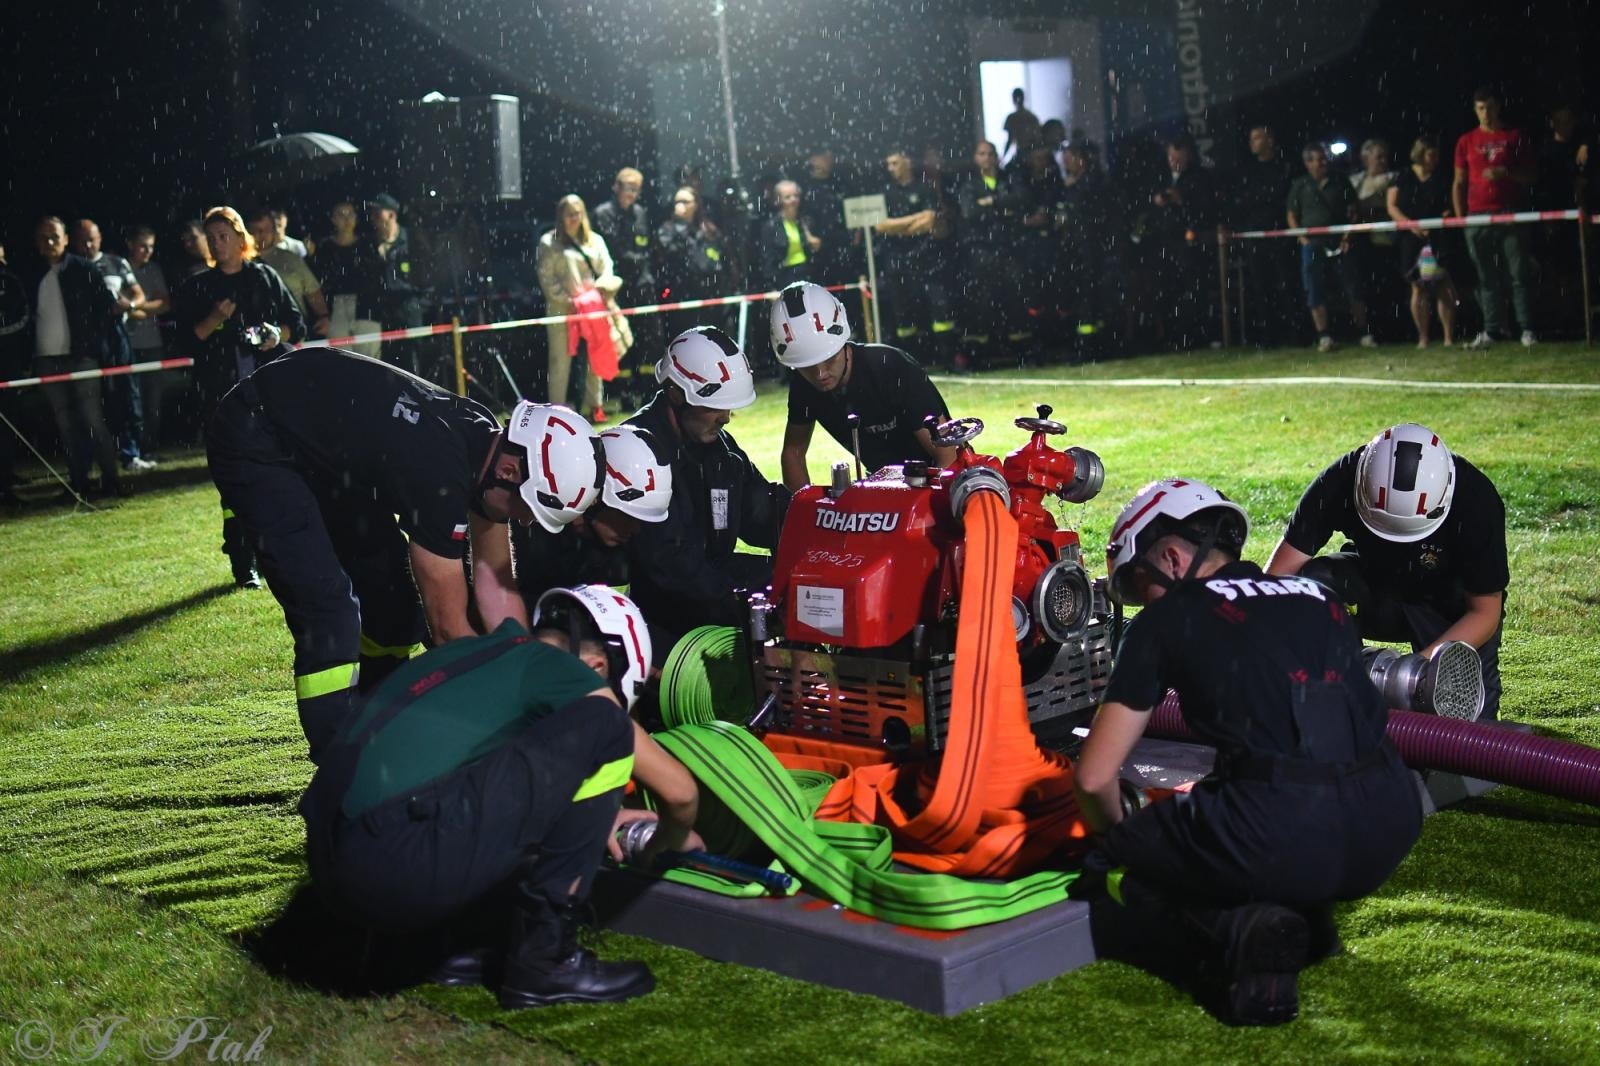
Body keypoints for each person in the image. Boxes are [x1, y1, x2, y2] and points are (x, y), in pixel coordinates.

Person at [1076, 477, 1421, 1026]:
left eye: (1141, 583)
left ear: (1171, 557)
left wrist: (1116, 836)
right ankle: (1312, 921)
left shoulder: (1167, 619)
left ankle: (1239, 932)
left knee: (1114, 857)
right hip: (1392, 817)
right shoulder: (1320, 597)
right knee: (1257, 802)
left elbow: (1094, 779)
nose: (1145, 601)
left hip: (1282, 830)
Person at [298, 585, 702, 1009]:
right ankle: (546, 961)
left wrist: (600, 815)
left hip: (333, 867)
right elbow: (680, 793)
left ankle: (425, 946)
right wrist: (667, 842)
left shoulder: (478, 655)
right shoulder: (565, 671)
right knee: (606, 726)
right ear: (598, 666)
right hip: (391, 872)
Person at [208, 350, 607, 761]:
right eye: (528, 508)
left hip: (319, 450)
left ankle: (379, 720)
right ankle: (343, 766)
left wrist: (524, 667)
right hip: (258, 439)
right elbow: (447, 629)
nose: (525, 520)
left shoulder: (486, 441)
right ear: (509, 472)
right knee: (330, 613)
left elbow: (496, 583)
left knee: (397, 606)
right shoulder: (439, 472)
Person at [1265, 422, 1508, 721]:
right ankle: (1337, 689)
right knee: (1318, 580)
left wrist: (1414, 670)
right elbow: (1276, 580)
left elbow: (1484, 612)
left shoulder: (1476, 500)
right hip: (1376, 591)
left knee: (1471, 732)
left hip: (1448, 607)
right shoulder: (1341, 479)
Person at [624, 326, 789, 657]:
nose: (726, 418)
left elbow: (762, 512)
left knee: (794, 583)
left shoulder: (718, 448)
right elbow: (669, 567)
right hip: (662, 611)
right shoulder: (636, 453)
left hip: (709, 579)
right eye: (716, 405)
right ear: (676, 394)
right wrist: (742, 601)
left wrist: (819, 521)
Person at [174, 206, 307, 589]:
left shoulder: (263, 276)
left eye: (224, 236)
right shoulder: (199, 286)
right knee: (234, 480)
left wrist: (274, 335)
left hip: (268, 391)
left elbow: (296, 325)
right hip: (221, 396)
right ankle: (242, 560)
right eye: (211, 238)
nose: (217, 243)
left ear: (240, 237)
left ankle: (276, 555)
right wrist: (215, 319)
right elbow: (186, 341)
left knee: (276, 474)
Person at [771, 281, 955, 490]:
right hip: (882, 484)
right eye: (807, 366)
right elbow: (793, 452)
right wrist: (803, 505)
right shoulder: (803, 386)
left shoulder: (890, 367)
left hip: (936, 478)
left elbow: (947, 456)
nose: (820, 374)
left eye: (828, 359)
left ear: (842, 341)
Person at [513, 424, 673, 608]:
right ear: (596, 496)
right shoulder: (529, 534)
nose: (636, 529)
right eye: (628, 516)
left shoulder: (617, 553)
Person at [24, 216, 124, 499]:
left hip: (82, 357)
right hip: (46, 360)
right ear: (36, 242)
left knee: (93, 421)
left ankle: (111, 481)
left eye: (55, 236)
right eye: (43, 237)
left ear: (66, 239)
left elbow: (106, 308)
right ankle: (78, 484)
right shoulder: (31, 275)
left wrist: (92, 344)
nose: (49, 242)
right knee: (65, 425)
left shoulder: (83, 269)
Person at [1453, 87, 1538, 349]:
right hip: (1477, 216)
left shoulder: (1514, 137)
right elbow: (1459, 182)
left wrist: (1506, 173)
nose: (1486, 113)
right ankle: (1492, 329)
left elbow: (1531, 176)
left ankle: (1527, 329)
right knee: (1486, 276)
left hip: (1509, 213)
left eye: (1489, 107)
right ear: (1475, 110)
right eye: (1480, 108)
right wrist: (1461, 218)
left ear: (1498, 107)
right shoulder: (1466, 140)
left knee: (1518, 273)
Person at [537, 194, 628, 423]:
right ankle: (557, 411)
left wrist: (599, 291)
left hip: (592, 310)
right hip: (562, 311)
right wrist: (569, 301)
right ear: (560, 216)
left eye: (578, 213)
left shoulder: (594, 240)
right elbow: (546, 279)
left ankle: (595, 405)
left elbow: (607, 269)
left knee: (595, 357)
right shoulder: (549, 242)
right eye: (569, 214)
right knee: (559, 361)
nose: (574, 218)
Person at [71, 218, 148, 472]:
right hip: (85, 341)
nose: (88, 245)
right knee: (93, 403)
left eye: (92, 239)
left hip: (116, 336)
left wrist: (129, 305)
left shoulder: (116, 262)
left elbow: (138, 295)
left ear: (100, 238)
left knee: (126, 394)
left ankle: (130, 453)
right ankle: (94, 460)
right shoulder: (71, 267)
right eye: (82, 240)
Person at [1287, 143, 1376, 353]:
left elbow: (1355, 211)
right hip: (1312, 244)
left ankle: (1364, 332)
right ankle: (1324, 336)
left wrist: (1347, 236)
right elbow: (1291, 214)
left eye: (1324, 158)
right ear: (1307, 163)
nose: (1322, 163)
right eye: (1317, 159)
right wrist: (1301, 237)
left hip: (1340, 241)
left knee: (1352, 286)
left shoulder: (1340, 180)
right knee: (1314, 288)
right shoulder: (1300, 184)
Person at [876, 148, 958, 362]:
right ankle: (911, 361)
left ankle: (948, 358)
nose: (890, 168)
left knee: (939, 306)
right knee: (903, 312)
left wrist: (897, 227)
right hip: (896, 259)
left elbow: (929, 220)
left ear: (908, 162)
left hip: (926, 256)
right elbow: (880, 226)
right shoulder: (884, 192)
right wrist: (914, 221)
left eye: (894, 163)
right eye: (888, 164)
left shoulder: (924, 188)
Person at [590, 168, 661, 403]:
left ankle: (649, 389)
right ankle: (625, 392)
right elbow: (615, 250)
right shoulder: (602, 213)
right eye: (628, 188)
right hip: (617, 286)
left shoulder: (641, 213)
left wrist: (645, 263)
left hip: (643, 283)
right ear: (616, 187)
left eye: (636, 189)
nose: (632, 193)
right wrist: (639, 258)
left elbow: (647, 245)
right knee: (621, 338)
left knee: (649, 337)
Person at [958, 140, 1032, 362]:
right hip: (982, 250)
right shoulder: (969, 186)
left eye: (991, 153)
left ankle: (1020, 350)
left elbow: (1022, 199)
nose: (987, 158)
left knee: (1015, 297)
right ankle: (981, 353)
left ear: (997, 157)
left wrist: (991, 202)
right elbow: (970, 212)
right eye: (982, 154)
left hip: (1009, 247)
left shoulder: (1010, 179)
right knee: (983, 300)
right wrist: (1003, 209)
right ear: (975, 158)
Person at [1387, 136, 1460, 348]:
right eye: (1431, 155)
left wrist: (1442, 218)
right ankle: (1423, 338)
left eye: (1437, 155)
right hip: (1411, 238)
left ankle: (1448, 337)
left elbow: (1449, 205)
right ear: (1420, 154)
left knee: (1443, 283)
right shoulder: (1403, 176)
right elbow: (1392, 206)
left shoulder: (1441, 177)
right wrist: (1410, 225)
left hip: (1438, 236)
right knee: (1418, 286)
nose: (1435, 159)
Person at [1234, 125, 1299, 348]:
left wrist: (1262, 201)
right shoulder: (1248, 170)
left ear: (1270, 140)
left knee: (1287, 282)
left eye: (1257, 138)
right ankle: (1269, 334)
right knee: (1261, 285)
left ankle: (1297, 332)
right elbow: (1243, 199)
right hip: (1255, 235)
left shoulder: (1285, 166)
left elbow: (1282, 196)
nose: (1252, 142)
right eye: (1251, 138)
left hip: (1281, 233)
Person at [124, 226, 173, 464]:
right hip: (128, 345)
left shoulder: (154, 269)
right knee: (132, 402)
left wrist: (135, 307)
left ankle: (150, 448)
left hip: (153, 344)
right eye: (143, 246)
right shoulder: (120, 268)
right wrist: (148, 306)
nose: (147, 251)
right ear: (130, 244)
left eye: (151, 246)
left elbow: (165, 304)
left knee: (153, 401)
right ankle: (132, 451)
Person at [310, 200, 383, 359]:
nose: (347, 219)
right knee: (341, 360)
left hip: (366, 307)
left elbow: (377, 279)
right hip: (336, 309)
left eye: (350, 214)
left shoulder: (368, 245)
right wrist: (323, 314)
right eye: (341, 214)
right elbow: (318, 282)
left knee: (370, 361)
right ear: (333, 219)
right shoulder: (324, 248)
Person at [656, 185, 730, 340]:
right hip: (681, 294)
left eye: (685, 201)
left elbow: (721, 254)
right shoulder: (667, 228)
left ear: (695, 204)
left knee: (711, 339)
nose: (679, 205)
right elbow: (670, 252)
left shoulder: (708, 228)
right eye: (677, 202)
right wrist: (682, 225)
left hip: (709, 294)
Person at [247, 208, 330, 337]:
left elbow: (312, 290)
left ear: (273, 231)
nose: (259, 235)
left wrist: (323, 316)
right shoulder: (241, 263)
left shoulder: (291, 258)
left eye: (264, 230)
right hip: (258, 332)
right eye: (254, 231)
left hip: (294, 331)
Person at [368, 193, 425, 367]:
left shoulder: (412, 241)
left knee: (411, 366)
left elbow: (426, 277)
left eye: (378, 213)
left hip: (408, 314)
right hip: (382, 316)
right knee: (386, 366)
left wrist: (418, 304)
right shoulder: (370, 244)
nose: (373, 218)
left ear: (392, 214)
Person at [755, 180, 823, 292]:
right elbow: (767, 258)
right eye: (787, 197)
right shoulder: (771, 226)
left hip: (809, 273)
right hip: (785, 276)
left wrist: (817, 245)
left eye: (796, 196)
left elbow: (818, 250)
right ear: (778, 200)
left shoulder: (807, 220)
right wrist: (771, 287)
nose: (793, 200)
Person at [1002, 87, 1042, 165]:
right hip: (1028, 153)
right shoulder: (1031, 117)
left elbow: (1010, 139)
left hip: (1028, 153)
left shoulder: (1014, 118)